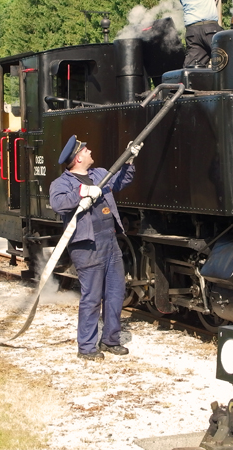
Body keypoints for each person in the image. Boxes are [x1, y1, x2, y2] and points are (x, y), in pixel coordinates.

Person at [49, 135, 141, 360]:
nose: (90, 151)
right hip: (87, 246)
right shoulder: (62, 183)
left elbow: (120, 181)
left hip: (110, 242)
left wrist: (129, 160)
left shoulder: (99, 174)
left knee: (116, 293)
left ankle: (110, 340)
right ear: (78, 157)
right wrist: (81, 192)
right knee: (91, 298)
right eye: (86, 150)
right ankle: (87, 347)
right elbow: (58, 203)